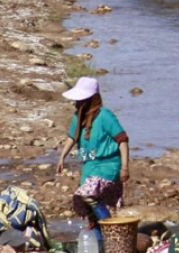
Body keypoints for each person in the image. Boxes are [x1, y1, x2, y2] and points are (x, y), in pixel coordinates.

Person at [55, 76, 130, 228]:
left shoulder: (105, 116)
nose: (78, 103)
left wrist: (124, 167)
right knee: (86, 205)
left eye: (82, 100)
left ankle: (109, 227)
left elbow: (122, 140)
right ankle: (100, 239)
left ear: (92, 99)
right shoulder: (79, 116)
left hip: (108, 165)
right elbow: (72, 137)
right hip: (89, 166)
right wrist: (62, 157)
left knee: (87, 194)